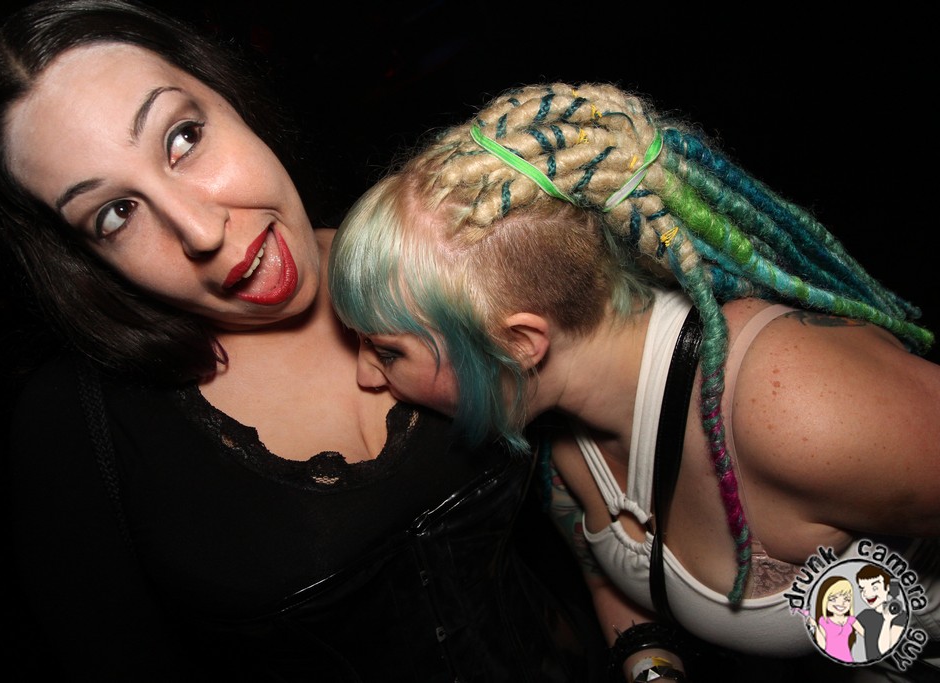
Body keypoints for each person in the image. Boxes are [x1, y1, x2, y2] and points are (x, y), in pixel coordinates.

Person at [0, 4, 604, 680]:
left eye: (182, 138)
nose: (200, 230)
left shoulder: (444, 246)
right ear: (83, 259)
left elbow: (585, 469)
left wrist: (639, 644)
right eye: (116, 213)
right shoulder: (73, 425)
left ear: (228, 96)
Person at [327, 82, 940, 681]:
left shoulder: (789, 404)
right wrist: (650, 665)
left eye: (387, 349)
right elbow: (620, 579)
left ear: (518, 344)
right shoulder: (562, 436)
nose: (364, 372)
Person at [856, 565, 907, 661]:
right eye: (862, 589)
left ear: (887, 587)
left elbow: (884, 650)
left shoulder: (900, 616)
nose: (867, 593)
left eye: (874, 588)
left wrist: (887, 620)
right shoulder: (865, 614)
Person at [808, 577, 863, 663]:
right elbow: (822, 645)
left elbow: (867, 635)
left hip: (847, 659)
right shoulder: (823, 621)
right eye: (833, 599)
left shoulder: (851, 620)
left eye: (847, 599)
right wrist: (814, 626)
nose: (841, 603)